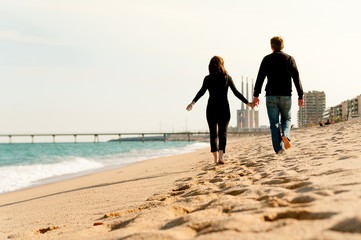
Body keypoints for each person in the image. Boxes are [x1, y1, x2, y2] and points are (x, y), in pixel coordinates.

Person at [186, 56, 254, 164]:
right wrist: (248, 103)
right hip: (224, 108)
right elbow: (236, 93)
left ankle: (215, 158)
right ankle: (221, 157)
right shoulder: (227, 77)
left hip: (211, 108)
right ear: (222, 65)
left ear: (210, 66)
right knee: (223, 133)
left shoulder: (208, 78)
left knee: (213, 134)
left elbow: (202, 92)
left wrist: (193, 103)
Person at [253, 36, 304, 154]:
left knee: (274, 124)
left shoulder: (266, 59)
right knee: (287, 119)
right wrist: (300, 95)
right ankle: (285, 135)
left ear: (271, 47)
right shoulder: (289, 58)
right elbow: (296, 78)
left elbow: (260, 78)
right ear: (283, 46)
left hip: (271, 96)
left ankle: (279, 149)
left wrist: (256, 95)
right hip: (286, 95)